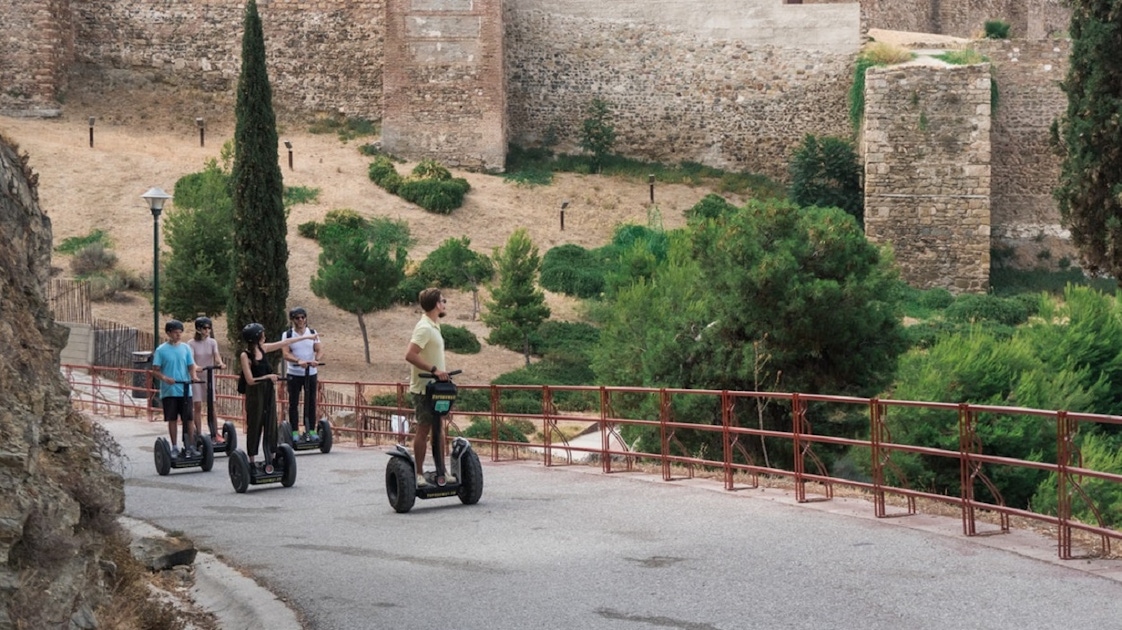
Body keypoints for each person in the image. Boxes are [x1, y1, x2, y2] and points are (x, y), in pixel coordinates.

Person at [239, 322, 318, 471]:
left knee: (271, 423)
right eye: (262, 334)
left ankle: (272, 457)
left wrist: (307, 337)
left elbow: (285, 342)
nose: (264, 337)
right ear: (256, 337)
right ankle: (251, 460)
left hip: (268, 390)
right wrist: (267, 376)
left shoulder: (263, 348)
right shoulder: (245, 355)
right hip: (255, 393)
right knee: (255, 424)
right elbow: (249, 380)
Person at [404, 287, 452, 487]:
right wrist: (434, 370)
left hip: (437, 389)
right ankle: (419, 473)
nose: (445, 303)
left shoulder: (434, 326)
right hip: (424, 388)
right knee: (424, 429)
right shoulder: (424, 327)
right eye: (443, 300)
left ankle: (442, 471)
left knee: (439, 428)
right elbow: (410, 355)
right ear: (436, 304)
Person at [152, 319, 198, 458]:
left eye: (180, 332)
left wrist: (193, 376)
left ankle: (190, 445)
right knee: (172, 419)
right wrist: (165, 378)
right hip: (170, 391)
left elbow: (191, 366)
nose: (178, 335)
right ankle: (174, 447)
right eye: (175, 333)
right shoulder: (161, 350)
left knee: (188, 419)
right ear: (168, 333)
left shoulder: (185, 348)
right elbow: (155, 370)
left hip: (185, 389)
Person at [281, 307, 323, 442]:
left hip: (310, 372)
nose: (300, 320)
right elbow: (286, 354)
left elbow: (319, 350)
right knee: (293, 402)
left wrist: (316, 360)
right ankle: (294, 431)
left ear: (306, 318)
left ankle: (310, 430)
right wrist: (298, 361)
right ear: (292, 320)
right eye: (297, 318)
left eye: (302, 317)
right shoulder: (287, 335)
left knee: (311, 402)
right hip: (294, 373)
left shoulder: (313, 333)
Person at [187, 316, 227, 443]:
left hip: (209, 375)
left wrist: (220, 363)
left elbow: (216, 354)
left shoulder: (212, 342)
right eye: (205, 328)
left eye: (209, 328)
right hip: (196, 376)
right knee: (197, 405)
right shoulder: (191, 343)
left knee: (211, 405)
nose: (207, 330)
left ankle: (215, 433)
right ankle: (199, 433)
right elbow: (191, 358)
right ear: (198, 329)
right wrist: (195, 366)